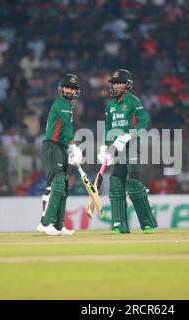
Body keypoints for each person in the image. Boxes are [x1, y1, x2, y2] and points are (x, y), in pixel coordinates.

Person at [97, 69, 158, 235]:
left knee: (133, 184)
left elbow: (144, 121)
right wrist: (104, 147)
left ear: (127, 85)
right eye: (114, 83)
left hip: (132, 146)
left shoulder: (133, 101)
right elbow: (108, 128)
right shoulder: (110, 106)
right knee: (116, 183)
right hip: (116, 149)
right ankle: (119, 225)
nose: (115, 86)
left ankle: (147, 223)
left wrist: (128, 136)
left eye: (118, 83)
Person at [37, 74, 83, 236]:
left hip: (60, 147)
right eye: (67, 87)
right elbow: (66, 127)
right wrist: (73, 147)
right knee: (54, 185)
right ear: (61, 88)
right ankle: (45, 223)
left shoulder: (68, 105)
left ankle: (58, 225)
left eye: (72, 88)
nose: (69, 90)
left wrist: (68, 149)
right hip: (52, 146)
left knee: (62, 187)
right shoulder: (61, 103)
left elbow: (65, 130)